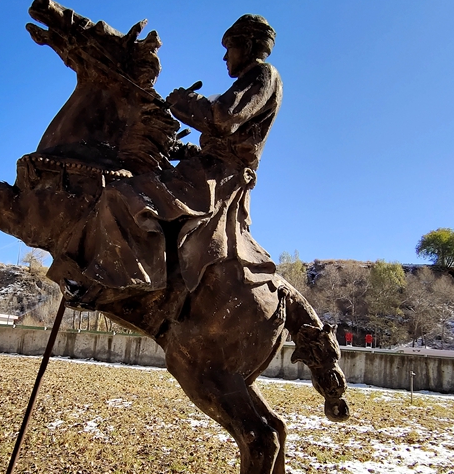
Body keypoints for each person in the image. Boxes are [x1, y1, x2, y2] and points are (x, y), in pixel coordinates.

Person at [52, 15, 283, 303]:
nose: (225, 56)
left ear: (248, 45)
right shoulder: (253, 79)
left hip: (217, 179)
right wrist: (176, 149)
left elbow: (224, 117)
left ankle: (133, 279)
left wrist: (183, 102)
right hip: (209, 168)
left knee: (120, 195)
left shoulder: (263, 74)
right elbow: (221, 141)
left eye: (230, 47)